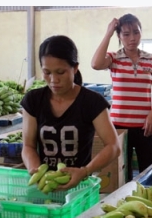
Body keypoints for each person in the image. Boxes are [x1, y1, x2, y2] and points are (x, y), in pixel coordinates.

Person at [21, 35, 121, 191]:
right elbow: (28, 146)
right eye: (47, 72)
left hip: (79, 188)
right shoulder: (33, 100)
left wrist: (85, 171)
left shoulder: (92, 102)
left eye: (60, 72)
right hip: (44, 187)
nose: (53, 79)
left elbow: (113, 146)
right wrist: (36, 170)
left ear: (75, 68)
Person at [91, 13, 152, 181]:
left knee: (149, 172)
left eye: (136, 32)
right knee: (122, 174)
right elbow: (95, 64)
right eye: (126, 34)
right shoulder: (114, 58)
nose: (132, 38)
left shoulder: (151, 60)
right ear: (119, 36)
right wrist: (108, 32)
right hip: (118, 128)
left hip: (145, 127)